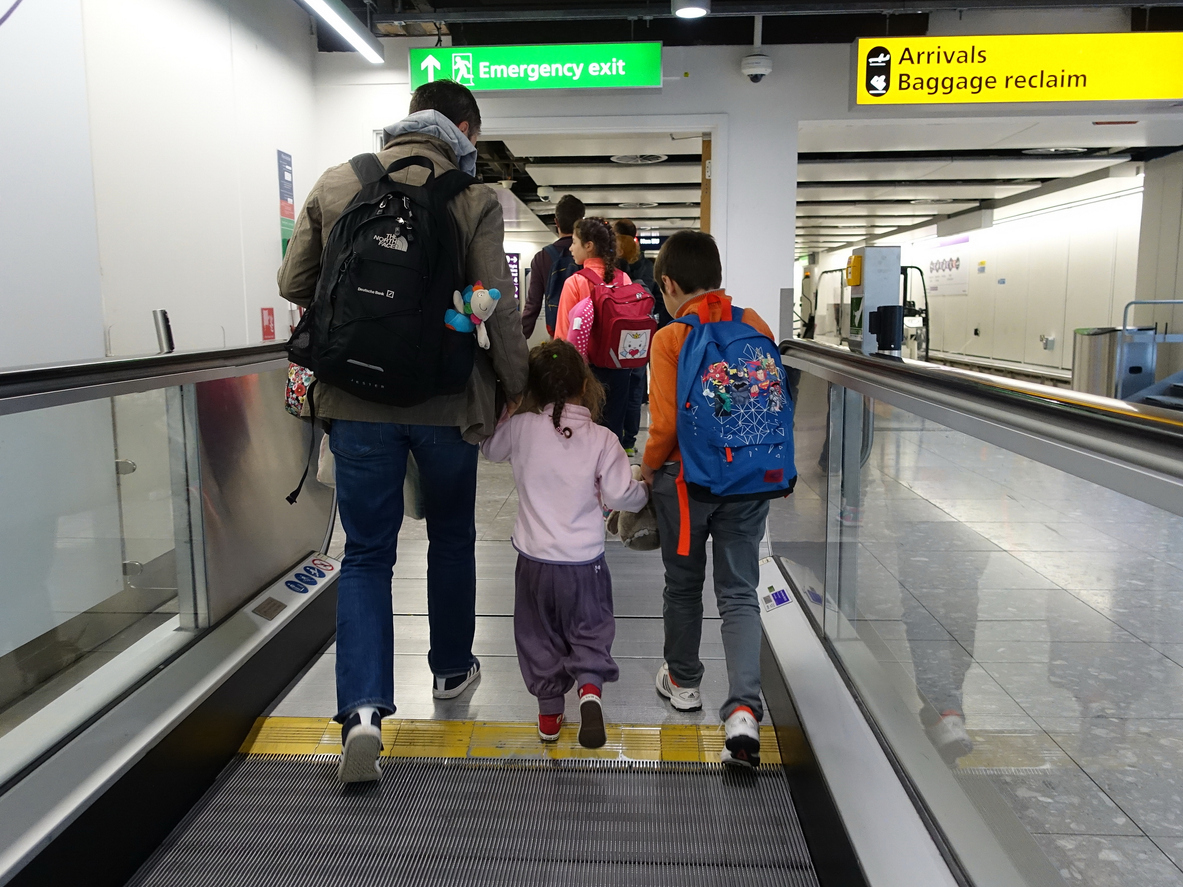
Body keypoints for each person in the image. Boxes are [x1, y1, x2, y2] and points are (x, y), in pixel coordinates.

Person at [278, 80, 529, 782]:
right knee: (450, 535)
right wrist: (515, 383)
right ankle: (449, 670)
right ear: (464, 130)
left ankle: (362, 712)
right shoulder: (473, 198)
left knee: (366, 554)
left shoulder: (339, 181)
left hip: (356, 400)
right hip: (445, 402)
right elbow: (498, 305)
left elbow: (293, 281)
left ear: (406, 120)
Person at [640, 230, 777, 769]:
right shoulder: (755, 324)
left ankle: (684, 683)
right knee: (740, 592)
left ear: (669, 284)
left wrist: (645, 469)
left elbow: (665, 426)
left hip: (686, 484)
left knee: (683, 585)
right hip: (750, 478)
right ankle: (743, 711)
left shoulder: (670, 337)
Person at [482, 339, 648, 747]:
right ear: (586, 385)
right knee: (590, 629)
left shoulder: (521, 429)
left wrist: (510, 406)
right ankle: (589, 691)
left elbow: (489, 448)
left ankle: (549, 717)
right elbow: (620, 495)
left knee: (538, 637)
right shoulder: (602, 439)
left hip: (534, 563)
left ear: (533, 387)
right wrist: (644, 490)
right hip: (585, 564)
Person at [553, 217, 635, 440]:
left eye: (575, 242)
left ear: (588, 246)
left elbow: (563, 337)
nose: (571, 248)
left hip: (586, 374)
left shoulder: (576, 282)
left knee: (584, 436)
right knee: (612, 435)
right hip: (620, 370)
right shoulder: (625, 279)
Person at [613, 220, 660, 456]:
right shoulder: (646, 266)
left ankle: (613, 438)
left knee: (614, 387)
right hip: (640, 335)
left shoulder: (612, 264)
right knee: (634, 389)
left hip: (615, 333)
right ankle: (629, 442)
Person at [521, 194, 585, 338]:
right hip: (586, 332)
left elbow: (533, 305)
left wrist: (519, 339)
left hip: (557, 332)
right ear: (581, 221)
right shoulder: (589, 253)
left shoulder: (542, 257)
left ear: (556, 222)